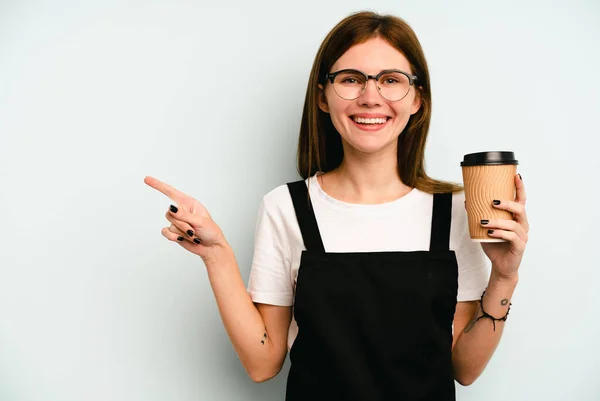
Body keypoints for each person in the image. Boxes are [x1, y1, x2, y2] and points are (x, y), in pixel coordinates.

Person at [144, 10, 529, 401]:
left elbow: (464, 369)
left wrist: (504, 277)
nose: (370, 97)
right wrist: (217, 255)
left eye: (391, 80)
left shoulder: (455, 211)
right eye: (350, 80)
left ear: (417, 100)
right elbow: (263, 363)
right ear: (323, 98)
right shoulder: (286, 207)